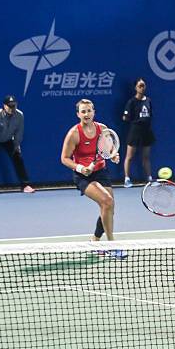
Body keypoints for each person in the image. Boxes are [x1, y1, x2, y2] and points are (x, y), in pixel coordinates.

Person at [61, 99, 125, 259]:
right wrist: (81, 168)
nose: (86, 114)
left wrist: (114, 155)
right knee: (107, 202)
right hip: (83, 175)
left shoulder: (102, 129)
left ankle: (95, 241)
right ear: (78, 114)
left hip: (100, 171)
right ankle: (111, 245)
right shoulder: (74, 134)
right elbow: (64, 158)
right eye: (83, 111)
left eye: (89, 110)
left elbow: (109, 149)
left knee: (108, 207)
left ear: (94, 112)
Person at [0, 95, 35, 196]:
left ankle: (25, 185)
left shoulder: (20, 115)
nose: (12, 108)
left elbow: (19, 132)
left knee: (18, 157)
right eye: (10, 106)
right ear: (4, 106)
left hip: (8, 139)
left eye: (14, 105)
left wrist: (17, 145)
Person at [122, 78, 155, 187]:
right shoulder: (131, 102)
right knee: (129, 156)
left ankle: (149, 179)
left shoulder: (148, 100)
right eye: (140, 86)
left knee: (146, 156)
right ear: (136, 88)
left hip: (147, 131)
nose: (142, 88)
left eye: (143, 85)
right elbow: (125, 117)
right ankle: (127, 179)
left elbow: (151, 114)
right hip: (135, 131)